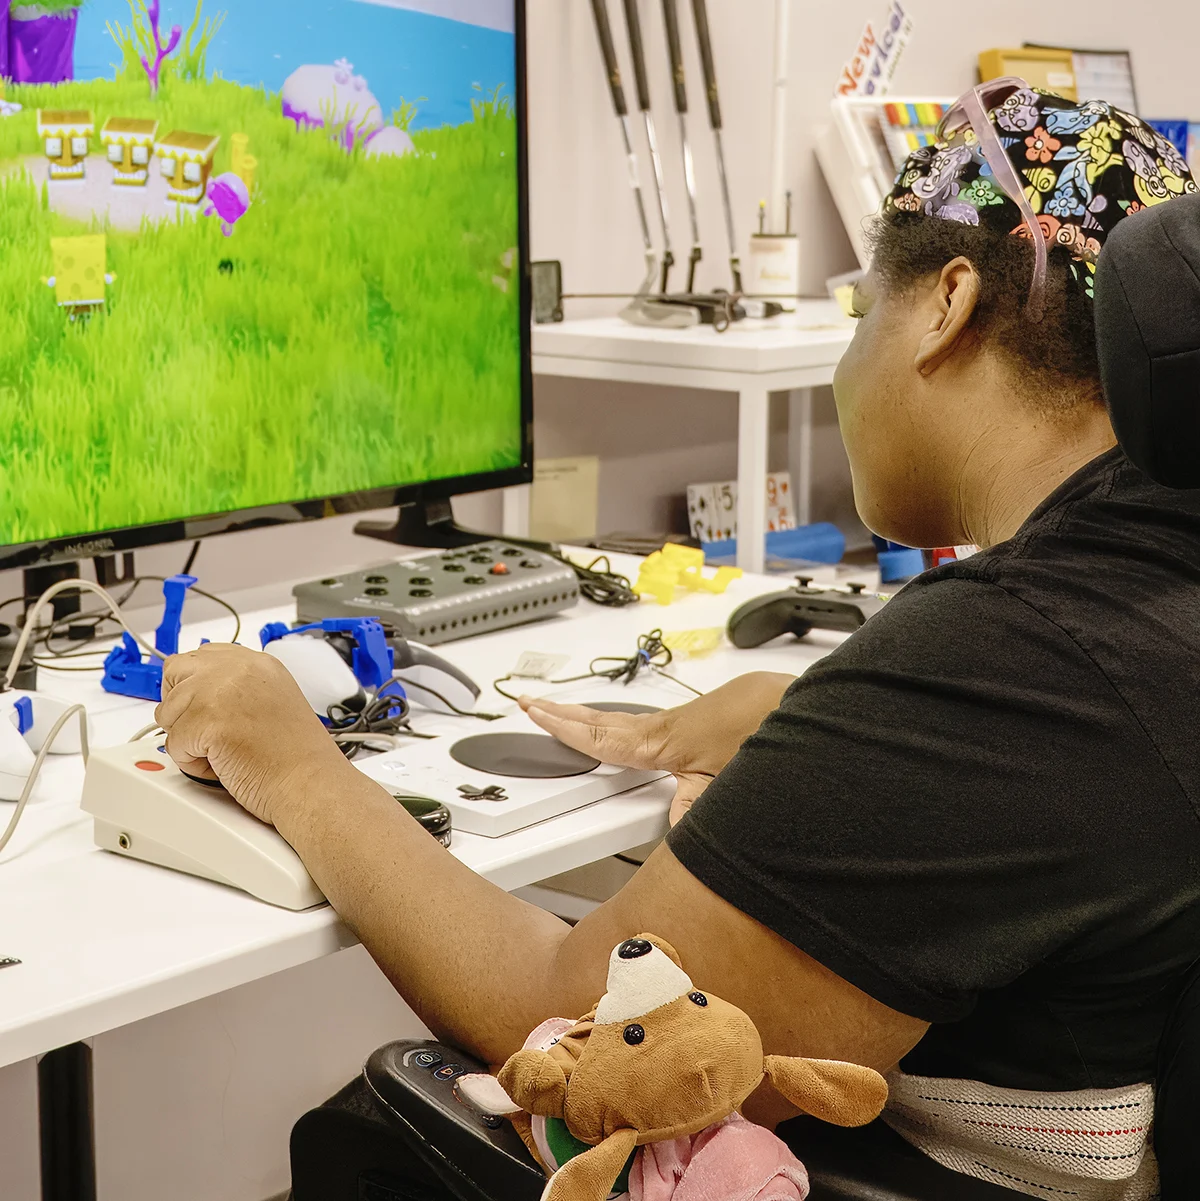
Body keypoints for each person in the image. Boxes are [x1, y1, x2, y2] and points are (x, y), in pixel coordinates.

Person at [155, 84, 1200, 1198]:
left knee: (363, 1128)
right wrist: (819, 728)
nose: (852, 365)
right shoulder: (1141, 586)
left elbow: (576, 1018)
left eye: (859, 317)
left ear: (945, 305)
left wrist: (291, 760)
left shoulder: (1015, 658)